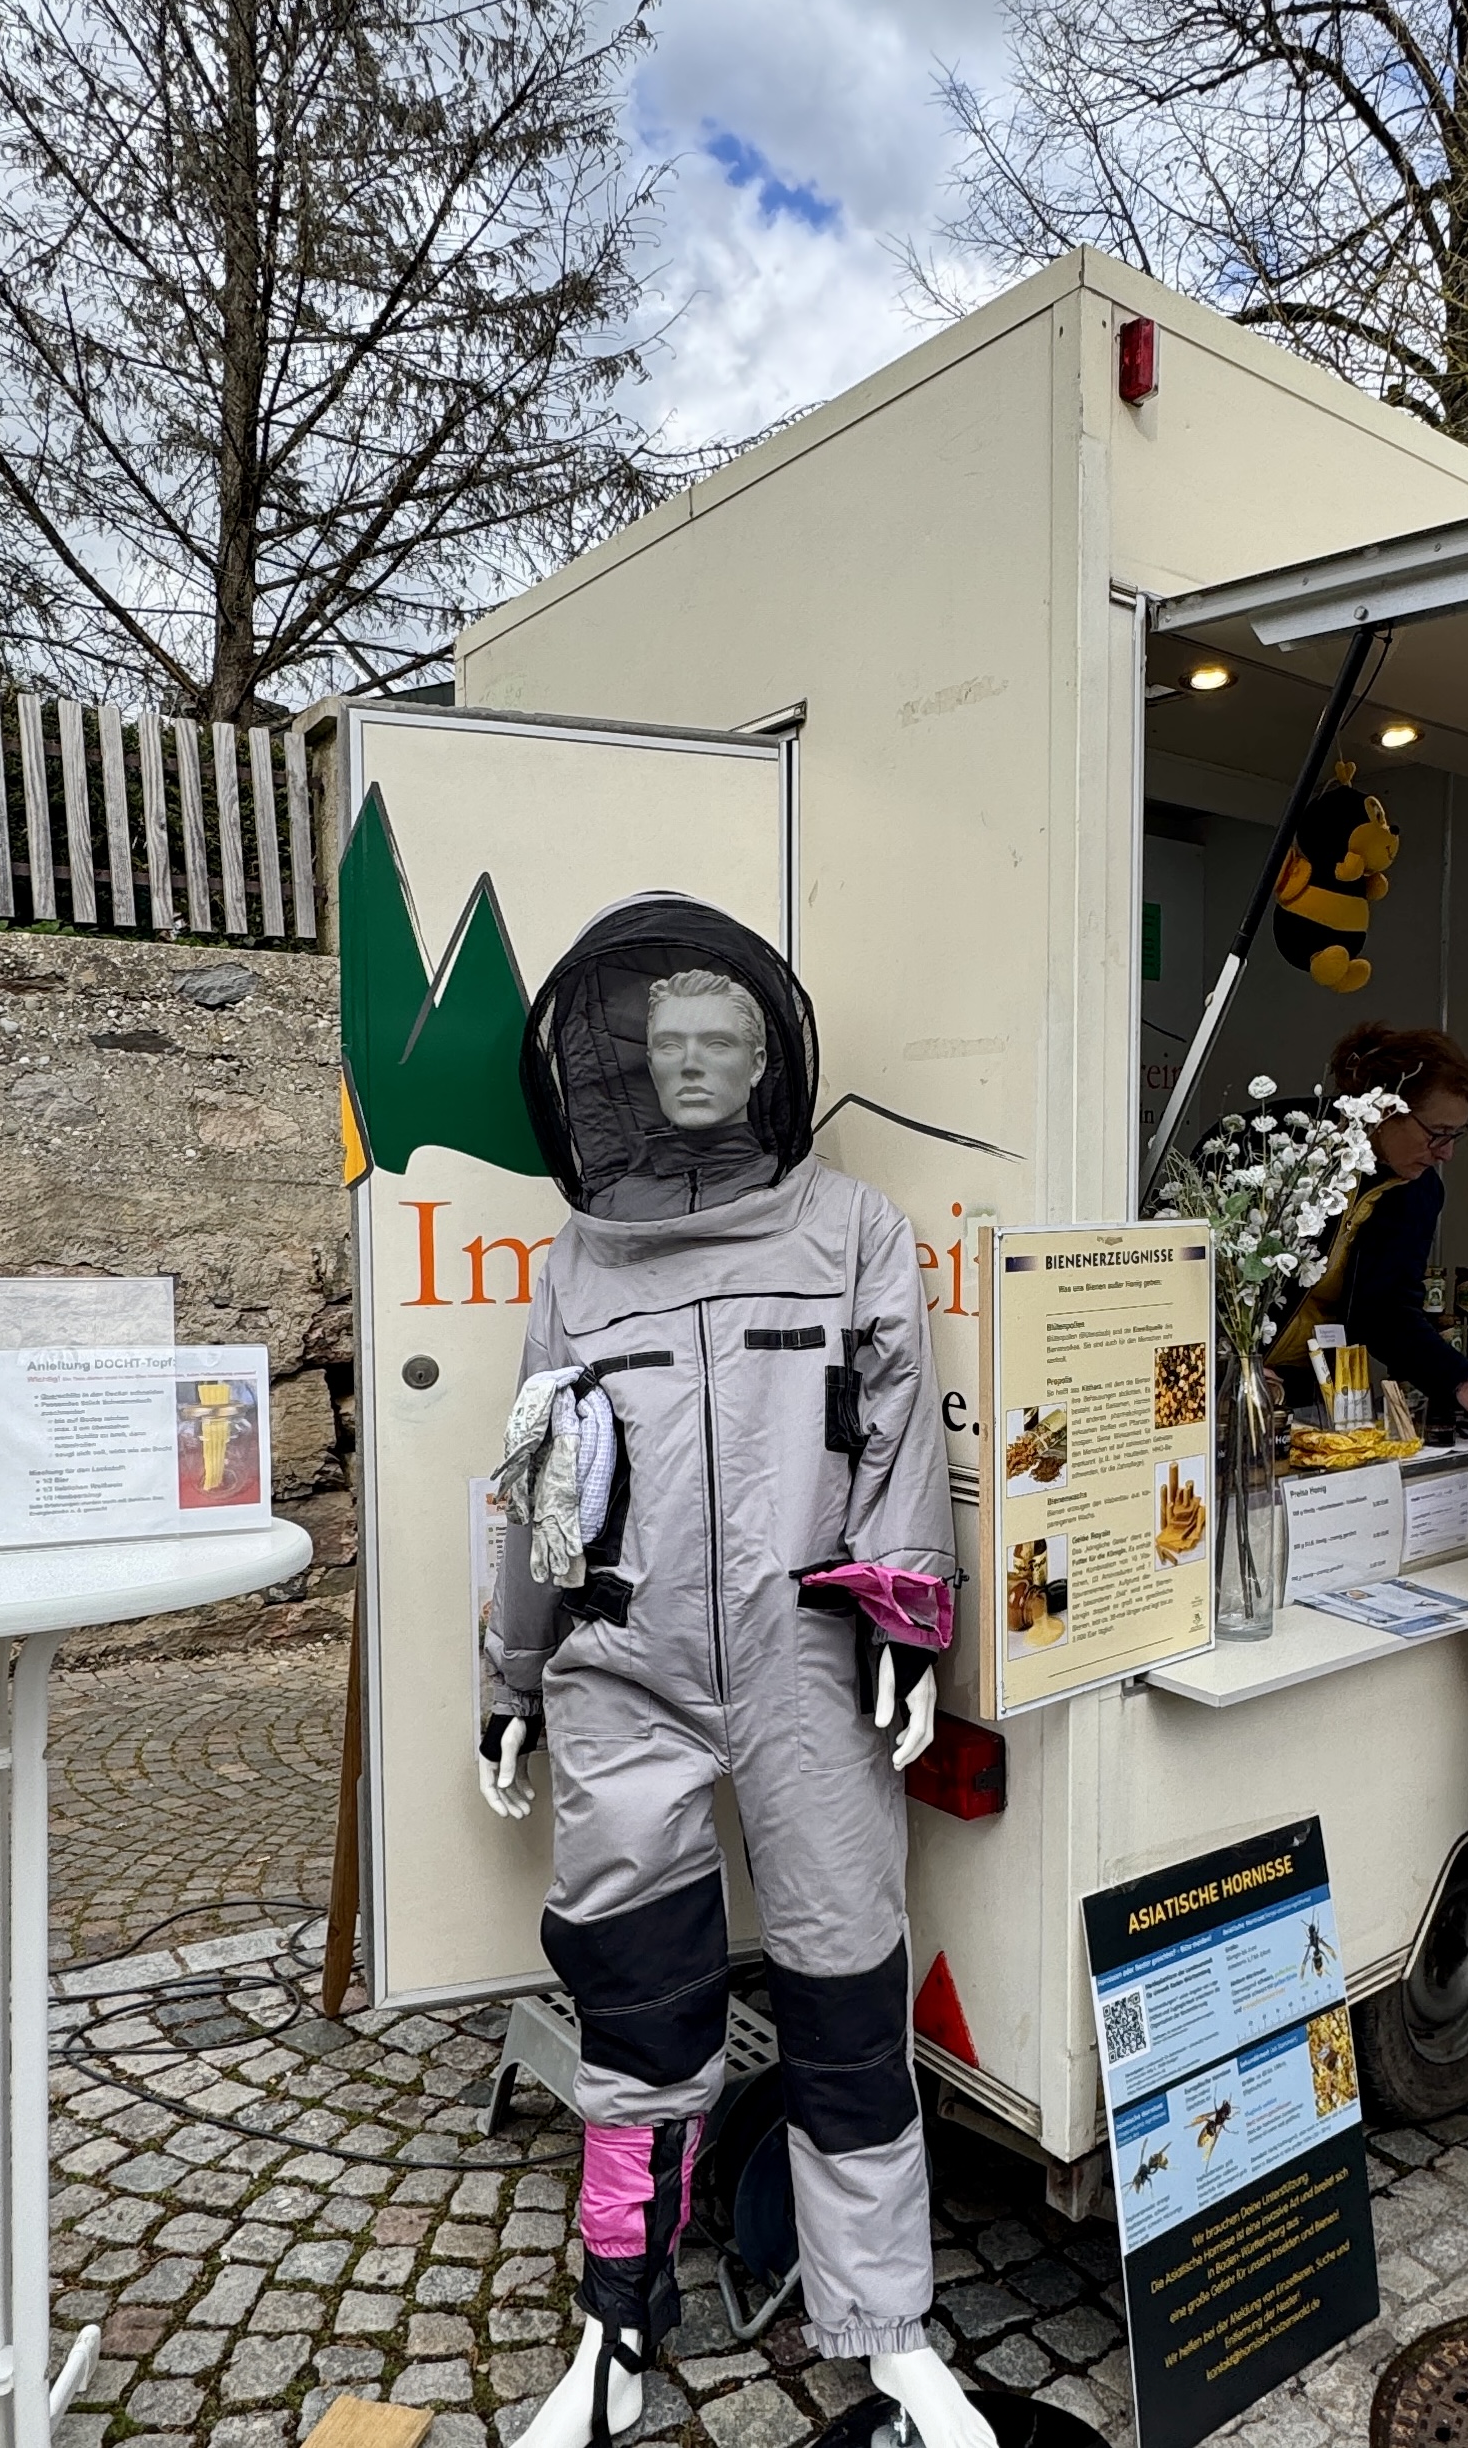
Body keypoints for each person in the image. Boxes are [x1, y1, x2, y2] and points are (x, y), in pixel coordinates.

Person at [477, 902, 992, 2448]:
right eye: (668, 1045)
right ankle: (616, 2329)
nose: (694, 1069)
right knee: (636, 2011)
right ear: (622, 1063)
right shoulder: (582, 1258)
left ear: (770, 1059)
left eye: (725, 1043)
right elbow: (540, 1479)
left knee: (846, 1997)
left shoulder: (852, 1231)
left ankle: (886, 2324)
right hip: (621, 1673)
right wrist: (510, 1669)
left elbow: (902, 1444)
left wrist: (910, 1629)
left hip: (810, 1673)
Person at [1269, 1024, 1468, 1435]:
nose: (1446, 1153)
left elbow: (1388, 1313)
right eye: (1438, 1134)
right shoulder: (1271, 1145)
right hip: (1226, 1378)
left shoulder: (1417, 1191)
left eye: (1457, 1135)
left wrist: (1463, 1381)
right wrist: (1233, 1364)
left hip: (1303, 1388)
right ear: (1385, 1110)